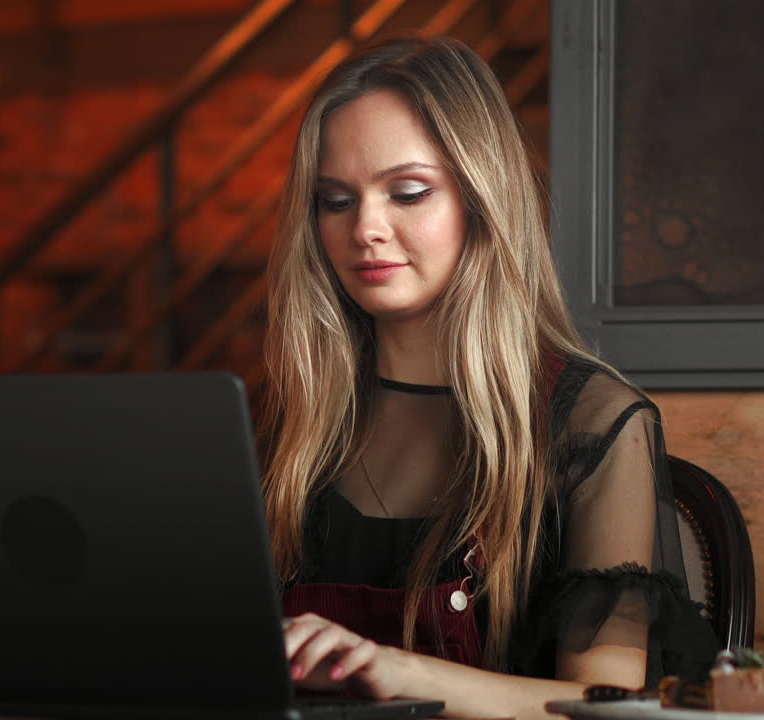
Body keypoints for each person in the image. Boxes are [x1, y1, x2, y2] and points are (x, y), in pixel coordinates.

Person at [257, 36, 718, 719]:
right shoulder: (292, 421)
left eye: (408, 192)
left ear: (482, 197)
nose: (367, 228)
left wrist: (400, 672)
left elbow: (606, 705)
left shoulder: (593, 423)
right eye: (335, 201)